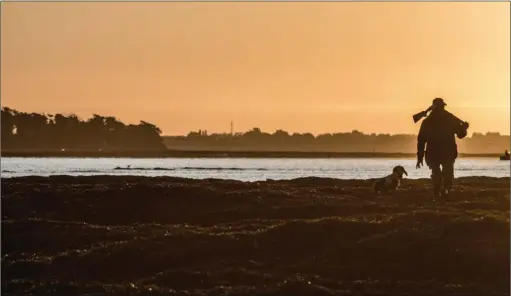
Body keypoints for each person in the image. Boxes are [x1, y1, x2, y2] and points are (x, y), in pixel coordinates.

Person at [416, 98, 469, 198]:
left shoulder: (427, 122)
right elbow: (461, 134)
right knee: (446, 173)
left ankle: (439, 191)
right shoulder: (450, 119)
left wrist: (420, 157)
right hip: (447, 152)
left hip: (433, 153)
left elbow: (421, 141)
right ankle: (444, 191)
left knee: (437, 173)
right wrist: (464, 128)